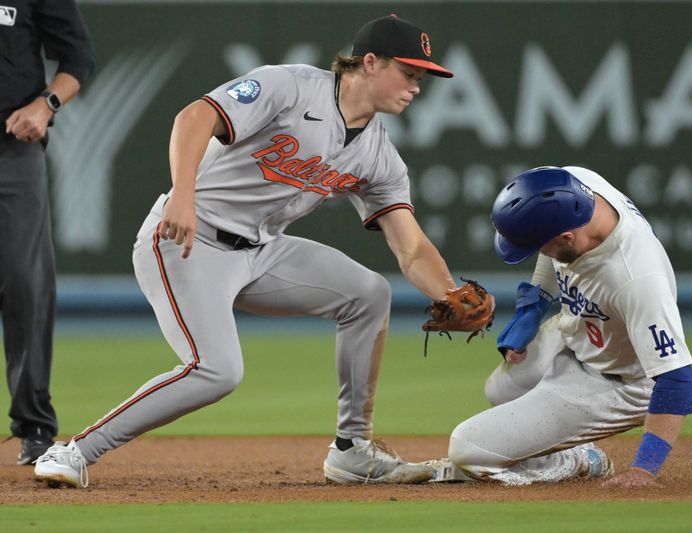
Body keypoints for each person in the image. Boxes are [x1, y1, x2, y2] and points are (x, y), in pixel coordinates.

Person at [34, 14, 475, 488]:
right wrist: (183, 193)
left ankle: (353, 451)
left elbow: (410, 246)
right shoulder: (289, 87)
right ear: (370, 62)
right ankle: (75, 451)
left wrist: (448, 290)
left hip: (262, 252)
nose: (417, 86)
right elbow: (194, 116)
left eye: (421, 77)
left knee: (368, 294)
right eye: (409, 73)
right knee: (217, 371)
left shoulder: (379, 155)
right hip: (187, 241)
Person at [433, 166, 692, 487]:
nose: (537, 253)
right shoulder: (576, 186)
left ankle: (577, 461)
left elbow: (677, 381)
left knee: (467, 448)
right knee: (502, 388)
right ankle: (570, 447)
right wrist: (536, 303)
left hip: (621, 382)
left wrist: (644, 470)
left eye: (537, 245)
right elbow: (552, 250)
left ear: (567, 237)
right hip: (578, 332)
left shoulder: (636, 279)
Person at [1, 0, 94, 465]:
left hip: (10, 147)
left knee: (25, 279)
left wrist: (45, 104)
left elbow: (78, 57)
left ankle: (34, 424)